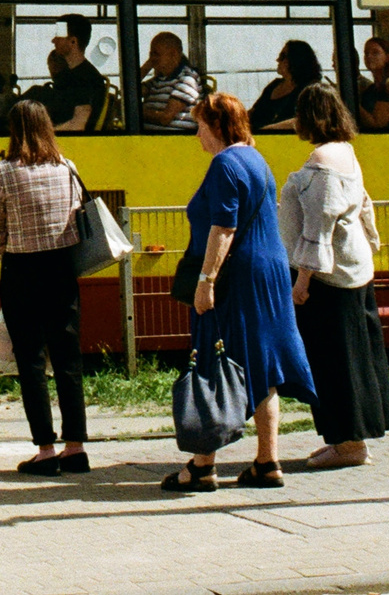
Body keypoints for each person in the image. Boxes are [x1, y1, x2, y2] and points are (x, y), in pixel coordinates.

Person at [168, 91, 313, 491]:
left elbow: (224, 227)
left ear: (216, 127)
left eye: (199, 125)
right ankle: (267, 462)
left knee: (213, 359)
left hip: (236, 277)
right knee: (261, 367)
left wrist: (206, 281)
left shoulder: (224, 163)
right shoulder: (256, 159)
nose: (196, 135)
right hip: (270, 273)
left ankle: (201, 466)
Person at [278, 84, 389, 468]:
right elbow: (364, 205)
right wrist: (372, 242)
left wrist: (303, 280)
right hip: (353, 267)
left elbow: (318, 226)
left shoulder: (322, 159)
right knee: (355, 357)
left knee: (334, 361)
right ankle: (346, 439)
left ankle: (349, 446)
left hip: (329, 278)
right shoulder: (346, 152)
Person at [0, 100, 90, 476]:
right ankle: (75, 447)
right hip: (62, 268)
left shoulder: (2, 171)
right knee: (67, 356)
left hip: (22, 270)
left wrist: (8, 252)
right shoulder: (67, 167)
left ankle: (45, 450)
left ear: (14, 130)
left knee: (30, 359)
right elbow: (77, 215)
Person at [48, 16, 110, 133]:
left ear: (73, 41)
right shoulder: (69, 75)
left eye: (58, 36)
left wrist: (41, 135)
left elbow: (78, 125)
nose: (53, 41)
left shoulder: (86, 79)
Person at [248, 40, 323, 133]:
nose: (277, 60)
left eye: (282, 56)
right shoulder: (274, 85)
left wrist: (267, 130)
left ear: (297, 60)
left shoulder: (310, 90)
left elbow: (304, 120)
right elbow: (254, 111)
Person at [141, 31, 204, 132]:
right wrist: (146, 67)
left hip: (173, 141)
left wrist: (135, 113)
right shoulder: (158, 80)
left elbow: (165, 118)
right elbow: (130, 92)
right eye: (150, 55)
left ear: (173, 54)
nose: (152, 59)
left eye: (156, 54)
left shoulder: (187, 79)